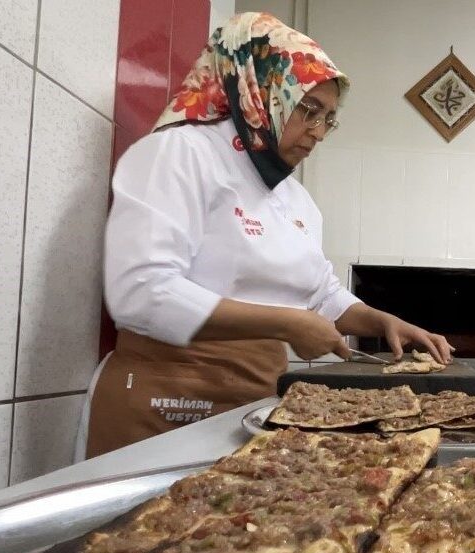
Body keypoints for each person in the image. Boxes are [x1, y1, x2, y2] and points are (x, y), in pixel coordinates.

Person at [85, 13, 452, 458]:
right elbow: (141, 293)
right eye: (308, 110)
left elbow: (321, 295)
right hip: (169, 397)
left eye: (329, 119)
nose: (317, 132)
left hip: (257, 400)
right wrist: (285, 324)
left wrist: (381, 322)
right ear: (259, 89)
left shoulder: (294, 198)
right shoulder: (178, 154)